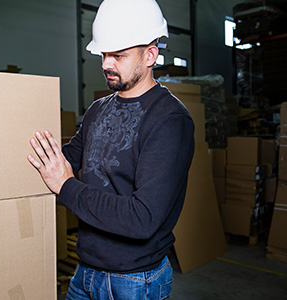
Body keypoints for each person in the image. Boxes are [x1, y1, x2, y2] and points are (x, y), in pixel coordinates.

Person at [27, 0, 195, 299]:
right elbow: (66, 159)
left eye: (118, 55)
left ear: (150, 55)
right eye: (104, 54)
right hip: (85, 271)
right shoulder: (97, 110)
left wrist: (66, 187)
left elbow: (142, 218)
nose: (106, 64)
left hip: (134, 280)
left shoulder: (170, 120)